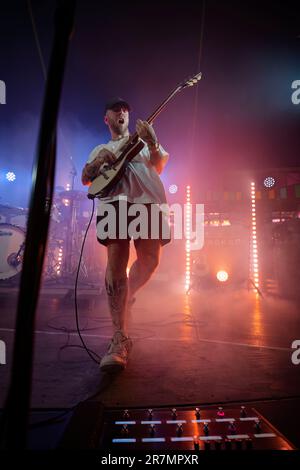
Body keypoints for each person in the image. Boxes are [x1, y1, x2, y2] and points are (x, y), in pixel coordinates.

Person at [81, 97, 170, 372]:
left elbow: (159, 165)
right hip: (114, 202)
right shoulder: (101, 147)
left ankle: (127, 296)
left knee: (151, 262)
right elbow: (86, 178)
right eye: (116, 110)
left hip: (148, 201)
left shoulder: (143, 140)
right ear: (106, 119)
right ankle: (119, 338)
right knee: (116, 265)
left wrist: (153, 143)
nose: (122, 113)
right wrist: (98, 161)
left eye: (125, 111)